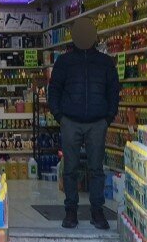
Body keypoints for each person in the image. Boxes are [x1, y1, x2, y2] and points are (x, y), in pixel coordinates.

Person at [48, 17, 121, 230]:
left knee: (96, 169)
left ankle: (97, 211)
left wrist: (108, 117)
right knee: (70, 168)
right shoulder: (65, 61)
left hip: (98, 122)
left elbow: (113, 92)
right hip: (70, 121)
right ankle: (71, 211)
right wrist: (60, 116)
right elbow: (54, 90)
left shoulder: (106, 63)